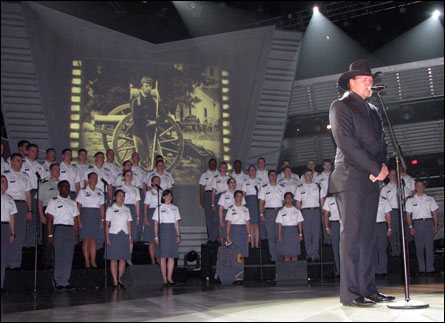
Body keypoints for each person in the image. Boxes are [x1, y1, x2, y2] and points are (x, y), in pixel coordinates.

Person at [329, 59, 394, 306]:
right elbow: (347, 143)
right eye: (366, 80)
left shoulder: (374, 110)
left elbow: (382, 143)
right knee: (352, 237)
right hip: (350, 178)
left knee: (368, 237)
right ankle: (351, 293)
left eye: (371, 79)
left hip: (370, 179)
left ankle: (369, 288)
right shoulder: (341, 106)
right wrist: (375, 167)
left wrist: (382, 167)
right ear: (352, 81)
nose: (371, 83)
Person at [46, 180, 79, 290]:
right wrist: (50, 235)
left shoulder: (73, 203)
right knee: (59, 256)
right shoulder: (54, 201)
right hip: (59, 229)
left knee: (68, 256)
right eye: (65, 187)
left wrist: (76, 235)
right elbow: (49, 219)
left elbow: (75, 220)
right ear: (60, 188)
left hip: (70, 230)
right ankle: (58, 280)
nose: (67, 189)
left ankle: (66, 280)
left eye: (69, 186)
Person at [4, 153, 32, 270]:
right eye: (17, 160)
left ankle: (15, 263)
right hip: (10, 205)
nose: (20, 163)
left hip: (22, 205)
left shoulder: (25, 175)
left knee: (20, 235)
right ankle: (6, 262)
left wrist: (29, 210)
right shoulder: (6, 175)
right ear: (11, 162)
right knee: (9, 234)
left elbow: (28, 194)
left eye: (21, 161)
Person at [406, 180, 439, 275]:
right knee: (419, 247)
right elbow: (408, 214)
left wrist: (436, 224)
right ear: (415, 187)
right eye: (417, 186)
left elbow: (434, 213)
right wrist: (411, 226)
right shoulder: (411, 200)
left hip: (428, 222)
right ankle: (421, 269)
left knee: (429, 247)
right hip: (417, 223)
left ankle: (430, 269)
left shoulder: (430, 199)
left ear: (424, 187)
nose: (419, 188)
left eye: (421, 186)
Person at [295, 169, 326, 262]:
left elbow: (322, 200)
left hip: (316, 211)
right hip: (305, 212)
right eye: (307, 175)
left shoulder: (318, 186)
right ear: (304, 176)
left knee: (316, 233)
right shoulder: (300, 188)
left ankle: (315, 254)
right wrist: (298, 214)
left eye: (310, 175)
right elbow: (298, 203)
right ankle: (309, 254)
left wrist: (324, 212)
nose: (309, 176)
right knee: (307, 233)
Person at [76, 172, 105, 269]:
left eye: (96, 178)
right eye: (93, 178)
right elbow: (79, 206)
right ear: (88, 179)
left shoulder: (100, 192)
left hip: (96, 216)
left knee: (93, 239)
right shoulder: (83, 191)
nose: (95, 180)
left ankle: (93, 261)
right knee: (86, 239)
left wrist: (102, 219)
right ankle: (86, 261)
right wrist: (78, 220)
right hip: (86, 215)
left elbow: (101, 207)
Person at [380, 169, 411, 257]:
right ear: (388, 176)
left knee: (402, 232)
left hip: (401, 211)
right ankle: (394, 252)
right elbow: (383, 202)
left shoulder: (402, 187)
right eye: (392, 174)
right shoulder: (385, 189)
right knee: (392, 233)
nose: (393, 176)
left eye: (395, 174)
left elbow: (407, 198)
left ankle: (402, 253)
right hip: (391, 212)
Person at [153, 190, 181, 287]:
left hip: (172, 232)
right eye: (167, 195)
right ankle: (164, 278)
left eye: (170, 196)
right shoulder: (159, 208)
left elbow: (176, 223)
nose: (169, 197)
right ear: (163, 197)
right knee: (163, 256)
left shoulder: (175, 208)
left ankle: (169, 277)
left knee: (171, 256)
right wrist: (156, 236)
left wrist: (178, 235)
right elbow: (156, 223)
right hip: (163, 231)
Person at [105, 190, 132, 288]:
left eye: (123, 196)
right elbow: (107, 224)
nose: (121, 197)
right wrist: (107, 237)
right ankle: (115, 280)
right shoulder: (110, 209)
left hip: (124, 234)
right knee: (114, 259)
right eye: (119, 195)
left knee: (123, 259)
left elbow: (129, 223)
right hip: (114, 235)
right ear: (115, 197)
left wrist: (129, 236)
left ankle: (120, 279)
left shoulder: (127, 209)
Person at [131, 77, 159, 169]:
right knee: (141, 157)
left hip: (151, 132)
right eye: (146, 86)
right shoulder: (136, 101)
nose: (149, 88)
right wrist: (147, 123)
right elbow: (135, 118)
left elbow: (162, 115)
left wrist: (155, 122)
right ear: (142, 87)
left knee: (154, 155)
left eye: (150, 86)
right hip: (139, 132)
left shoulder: (154, 101)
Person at [22, 144, 46, 247]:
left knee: (36, 218)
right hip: (25, 193)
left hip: (37, 192)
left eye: (36, 151)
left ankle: (33, 242)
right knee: (25, 218)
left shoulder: (39, 167)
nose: (35, 153)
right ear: (26, 152)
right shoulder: (22, 164)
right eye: (32, 151)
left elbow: (43, 181)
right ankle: (23, 242)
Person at [258, 170, 285, 262]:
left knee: (280, 234)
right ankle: (273, 256)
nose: (273, 177)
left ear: (277, 177)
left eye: (274, 175)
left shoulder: (282, 188)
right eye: (271, 175)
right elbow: (261, 202)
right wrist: (261, 214)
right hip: (269, 212)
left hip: (279, 212)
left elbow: (284, 202)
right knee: (271, 236)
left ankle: (280, 255)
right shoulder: (264, 188)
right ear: (268, 177)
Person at [38, 163, 60, 269]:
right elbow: (40, 200)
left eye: (58, 169)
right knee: (48, 237)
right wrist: (41, 215)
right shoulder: (45, 184)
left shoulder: (62, 185)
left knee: (57, 237)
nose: (57, 171)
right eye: (55, 169)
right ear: (50, 171)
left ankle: (56, 260)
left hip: (59, 212)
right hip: (47, 211)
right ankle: (48, 262)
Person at [116, 170, 141, 265]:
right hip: (123, 209)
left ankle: (128, 257)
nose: (129, 177)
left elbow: (137, 203)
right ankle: (120, 256)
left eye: (131, 175)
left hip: (132, 210)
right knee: (122, 233)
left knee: (131, 235)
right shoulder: (120, 188)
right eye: (127, 175)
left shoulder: (135, 189)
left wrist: (138, 217)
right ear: (123, 176)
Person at [276, 192, 304, 262]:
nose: (289, 199)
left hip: (294, 231)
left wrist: (300, 234)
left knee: (295, 255)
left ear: (292, 199)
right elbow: (279, 224)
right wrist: (279, 235)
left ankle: (295, 271)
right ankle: (286, 272)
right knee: (286, 255)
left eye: (290, 198)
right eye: (287, 198)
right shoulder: (281, 211)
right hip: (285, 232)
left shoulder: (297, 211)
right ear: (284, 200)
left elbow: (299, 223)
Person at [1, 175, 16, 291]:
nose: (5, 184)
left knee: (3, 257)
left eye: (6, 182)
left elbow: (11, 217)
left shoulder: (10, 199)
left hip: (5, 228)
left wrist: (12, 233)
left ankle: (1, 284)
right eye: (2, 182)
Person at [226, 190, 251, 258]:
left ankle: (241, 268)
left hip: (244, 231)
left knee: (243, 252)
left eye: (241, 196)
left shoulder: (246, 209)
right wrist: (227, 236)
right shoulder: (231, 209)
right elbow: (228, 223)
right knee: (234, 251)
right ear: (234, 197)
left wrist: (249, 234)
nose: (239, 198)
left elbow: (248, 222)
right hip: (234, 230)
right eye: (237, 196)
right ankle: (234, 268)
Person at [143, 175, 162, 265]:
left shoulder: (162, 192)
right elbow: (146, 206)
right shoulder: (149, 193)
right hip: (151, 213)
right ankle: (152, 259)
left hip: (161, 214)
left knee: (159, 237)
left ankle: (158, 257)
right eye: (156, 180)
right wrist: (145, 218)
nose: (158, 182)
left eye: (159, 180)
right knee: (151, 239)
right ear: (152, 182)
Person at [242, 165, 263, 248]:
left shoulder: (259, 181)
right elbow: (244, 195)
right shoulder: (246, 182)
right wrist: (244, 205)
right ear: (248, 172)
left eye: (254, 170)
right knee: (250, 223)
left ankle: (257, 243)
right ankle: (252, 243)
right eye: (251, 170)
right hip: (249, 202)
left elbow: (262, 194)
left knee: (257, 224)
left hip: (257, 201)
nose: (252, 172)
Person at [199, 158, 219, 242]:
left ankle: (216, 237)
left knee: (216, 218)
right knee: (209, 218)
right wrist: (202, 200)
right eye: (211, 163)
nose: (213, 164)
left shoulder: (219, 173)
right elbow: (201, 189)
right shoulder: (204, 174)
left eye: (214, 163)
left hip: (217, 195)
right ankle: (210, 238)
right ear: (209, 164)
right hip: (208, 195)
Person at [373, 193, 392, 276]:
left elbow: (388, 215)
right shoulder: (367, 199)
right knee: (372, 249)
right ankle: (374, 270)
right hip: (371, 226)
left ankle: (382, 270)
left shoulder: (384, 201)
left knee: (382, 248)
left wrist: (389, 228)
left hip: (381, 226)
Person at [218, 178, 242, 244]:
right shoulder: (224, 195)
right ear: (228, 184)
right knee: (225, 235)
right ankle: (225, 252)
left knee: (234, 235)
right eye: (231, 182)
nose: (233, 184)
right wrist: (220, 220)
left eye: (234, 182)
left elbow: (243, 207)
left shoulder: (239, 194)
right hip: (226, 215)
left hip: (237, 215)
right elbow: (220, 209)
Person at [211, 161, 230, 241]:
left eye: (225, 167)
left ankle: (227, 238)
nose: (224, 169)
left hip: (228, 198)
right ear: (219, 168)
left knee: (227, 219)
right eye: (222, 167)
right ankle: (221, 240)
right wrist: (212, 204)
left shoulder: (229, 178)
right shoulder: (216, 178)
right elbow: (213, 192)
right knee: (220, 220)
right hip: (218, 198)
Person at [323, 195, 341, 276]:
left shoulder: (344, 197)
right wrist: (327, 227)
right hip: (334, 224)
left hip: (344, 224)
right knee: (336, 248)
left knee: (345, 249)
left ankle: (346, 270)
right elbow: (326, 214)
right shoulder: (329, 199)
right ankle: (338, 270)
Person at [318, 159, 333, 245]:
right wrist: (322, 205)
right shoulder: (319, 177)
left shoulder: (334, 175)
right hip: (323, 198)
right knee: (325, 219)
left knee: (334, 219)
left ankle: (334, 238)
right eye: (325, 165)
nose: (327, 167)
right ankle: (327, 240)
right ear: (323, 166)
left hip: (334, 198)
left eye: (329, 165)